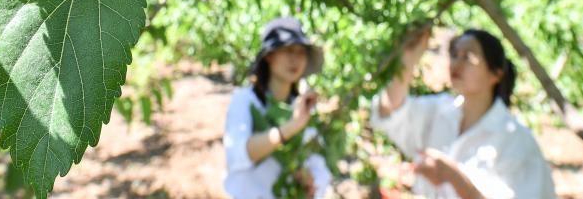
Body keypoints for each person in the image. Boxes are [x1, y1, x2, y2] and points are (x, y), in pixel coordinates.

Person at [371, 27, 557, 199]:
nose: (456, 64)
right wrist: (408, 59)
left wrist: (455, 178)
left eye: (468, 57)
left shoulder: (516, 141)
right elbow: (389, 111)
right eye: (454, 55)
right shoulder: (438, 111)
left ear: (496, 74)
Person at [223, 16, 331, 199]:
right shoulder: (245, 100)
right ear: (269, 56)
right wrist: (291, 127)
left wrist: (312, 182)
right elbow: (238, 154)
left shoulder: (303, 107)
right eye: (288, 50)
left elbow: (317, 164)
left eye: (300, 52)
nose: (295, 58)